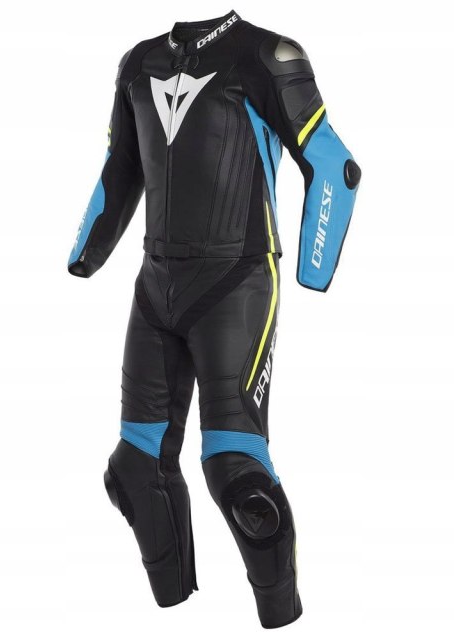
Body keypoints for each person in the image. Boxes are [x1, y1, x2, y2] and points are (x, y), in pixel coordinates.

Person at [67, 10, 361, 628]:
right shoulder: (138, 63)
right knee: (135, 468)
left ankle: (282, 617)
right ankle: (175, 616)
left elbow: (334, 165)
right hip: (155, 285)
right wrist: (85, 252)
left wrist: (313, 267)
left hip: (237, 281)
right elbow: (121, 166)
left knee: (238, 474)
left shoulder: (268, 55)